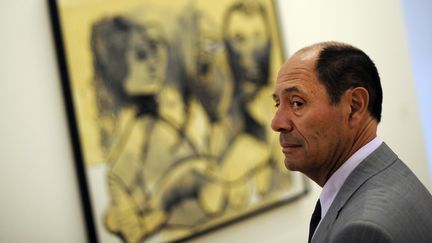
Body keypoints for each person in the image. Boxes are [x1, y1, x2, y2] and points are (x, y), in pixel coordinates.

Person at [271, 41, 432, 243]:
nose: (277, 123)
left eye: (297, 103)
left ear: (354, 107)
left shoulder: (362, 230)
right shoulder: (392, 175)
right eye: (278, 104)